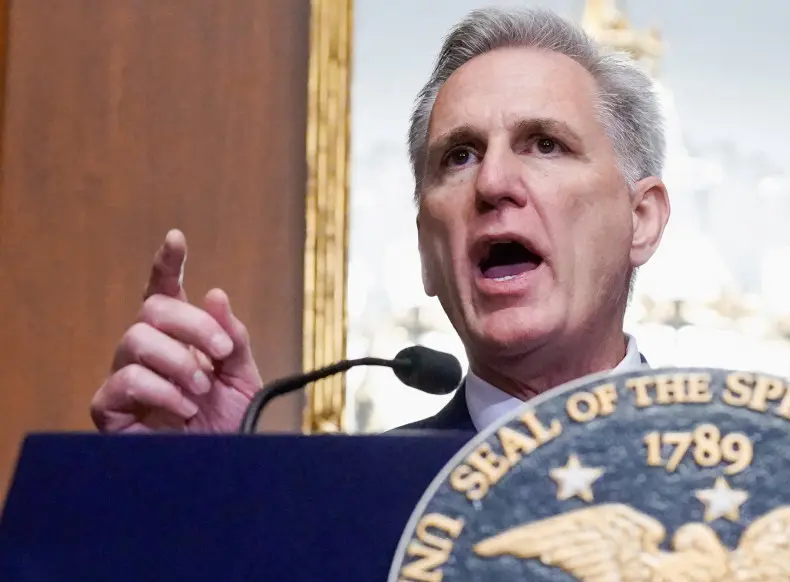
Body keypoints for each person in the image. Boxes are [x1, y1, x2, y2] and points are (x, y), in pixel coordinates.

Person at [89, 6, 670, 435]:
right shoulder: (338, 503)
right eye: (459, 156)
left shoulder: (752, 468)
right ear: (426, 253)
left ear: (641, 220)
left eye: (544, 144)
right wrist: (224, 490)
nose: (492, 183)